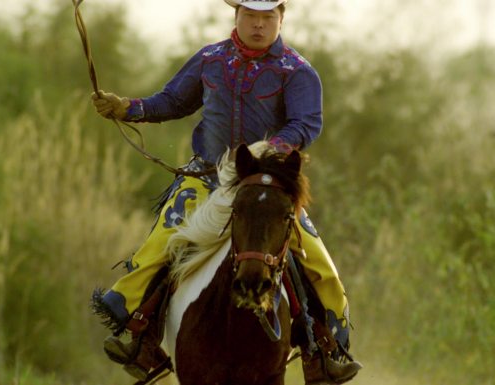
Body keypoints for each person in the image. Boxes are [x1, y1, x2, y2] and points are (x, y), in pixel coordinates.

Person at [90, 0, 362, 384]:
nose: (258, 25)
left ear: (281, 18)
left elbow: (306, 123)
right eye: (250, 15)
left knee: (319, 264)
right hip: (205, 177)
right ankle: (140, 334)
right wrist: (127, 108)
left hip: (266, 183)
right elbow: (171, 102)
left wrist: (269, 149)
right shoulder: (209, 59)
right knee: (161, 244)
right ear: (237, 16)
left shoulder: (298, 72)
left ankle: (327, 349)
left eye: (267, 17)